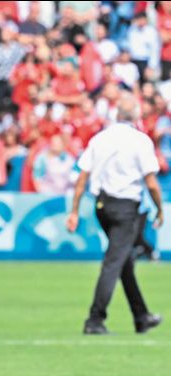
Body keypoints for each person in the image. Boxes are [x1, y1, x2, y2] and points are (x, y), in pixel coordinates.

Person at [67, 94, 164, 335]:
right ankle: (95, 319)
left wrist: (74, 211)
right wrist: (160, 208)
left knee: (123, 260)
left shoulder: (100, 138)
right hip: (125, 207)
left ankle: (141, 317)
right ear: (136, 115)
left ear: (116, 114)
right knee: (114, 262)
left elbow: (82, 177)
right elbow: (151, 183)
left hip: (102, 205)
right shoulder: (140, 141)